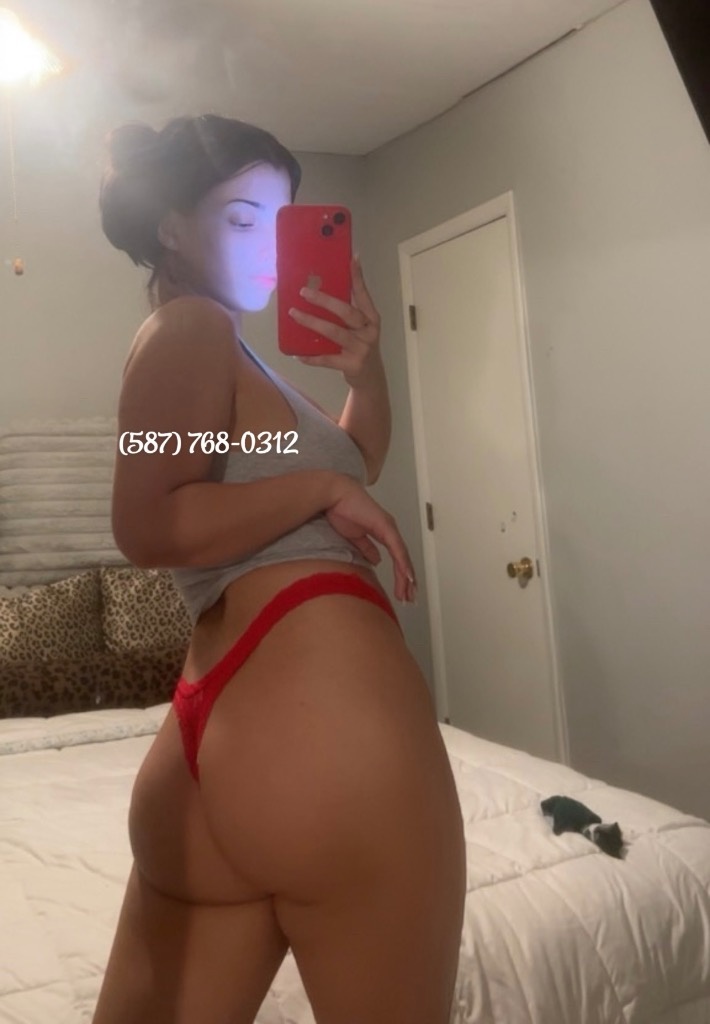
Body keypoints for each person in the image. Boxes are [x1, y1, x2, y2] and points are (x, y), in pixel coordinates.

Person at [93, 113, 466, 1024]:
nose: (270, 245)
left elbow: (354, 463)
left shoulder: (236, 355)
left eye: (284, 220)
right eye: (241, 219)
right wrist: (318, 489)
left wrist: (365, 375)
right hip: (328, 741)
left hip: (215, 743)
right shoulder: (190, 328)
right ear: (172, 227)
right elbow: (147, 520)